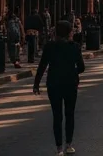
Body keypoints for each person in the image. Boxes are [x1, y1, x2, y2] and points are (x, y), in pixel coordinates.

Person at [34, 21, 86, 155]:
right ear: (70, 33)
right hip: (70, 83)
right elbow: (81, 67)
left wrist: (36, 84)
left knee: (57, 116)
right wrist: (73, 71)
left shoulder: (49, 46)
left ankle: (59, 149)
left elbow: (42, 66)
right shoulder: (75, 47)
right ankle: (69, 144)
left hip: (54, 84)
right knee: (69, 114)